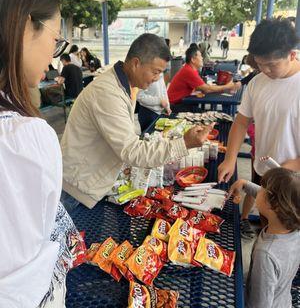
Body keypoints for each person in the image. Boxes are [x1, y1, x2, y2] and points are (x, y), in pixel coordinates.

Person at [0, 0, 80, 308]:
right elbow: (22, 278)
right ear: (24, 26)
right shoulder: (22, 139)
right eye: (56, 39)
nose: (52, 57)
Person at [61, 34, 213, 212]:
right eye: (155, 71)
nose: (158, 78)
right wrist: (184, 143)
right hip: (77, 190)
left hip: (94, 183)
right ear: (135, 63)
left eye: (161, 73)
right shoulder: (107, 93)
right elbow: (132, 151)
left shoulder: (126, 85)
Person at [218, 19, 300, 220]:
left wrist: (297, 163)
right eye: (260, 64)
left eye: (271, 65)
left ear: (292, 54)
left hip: (294, 181)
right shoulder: (257, 83)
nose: (265, 70)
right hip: (265, 171)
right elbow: (241, 122)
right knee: (267, 226)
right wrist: (230, 159)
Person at [229, 168, 300, 308]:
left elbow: (259, 304)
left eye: (263, 188)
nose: (259, 190)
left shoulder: (266, 255)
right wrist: (245, 184)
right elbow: (273, 199)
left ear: (276, 207)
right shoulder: (294, 227)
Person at [167, 46, 236, 112]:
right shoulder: (189, 71)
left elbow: (202, 88)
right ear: (193, 59)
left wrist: (207, 88)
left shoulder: (190, 69)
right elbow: (207, 89)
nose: (202, 58)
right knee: (207, 116)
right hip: (175, 106)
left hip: (181, 102)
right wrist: (227, 86)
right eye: (200, 56)